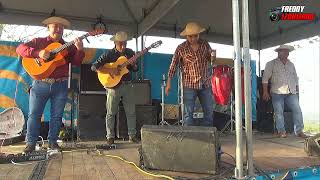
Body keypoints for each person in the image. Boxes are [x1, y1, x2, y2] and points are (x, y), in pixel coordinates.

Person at [16, 16, 85, 153]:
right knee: (34, 114)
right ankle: (30, 143)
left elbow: (76, 62)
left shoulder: (68, 47)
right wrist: (38, 52)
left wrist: (80, 50)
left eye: (61, 27)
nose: (58, 29)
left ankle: (53, 142)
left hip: (61, 85)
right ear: (48, 27)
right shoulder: (39, 42)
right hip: (40, 84)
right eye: (55, 26)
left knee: (56, 116)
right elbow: (20, 49)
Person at [91, 31, 139, 145]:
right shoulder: (108, 55)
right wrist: (110, 70)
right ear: (115, 43)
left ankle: (132, 136)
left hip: (127, 85)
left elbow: (135, 69)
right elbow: (94, 67)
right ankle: (110, 137)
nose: (123, 46)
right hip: (113, 87)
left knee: (131, 112)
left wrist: (134, 65)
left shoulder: (130, 53)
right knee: (111, 113)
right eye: (120, 44)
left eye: (124, 44)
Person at [165, 22, 216, 126]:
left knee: (209, 112)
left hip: (205, 84)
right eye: (190, 36)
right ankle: (189, 138)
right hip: (189, 85)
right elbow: (173, 66)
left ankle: (207, 137)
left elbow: (211, 60)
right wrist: (169, 83)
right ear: (186, 36)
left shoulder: (205, 44)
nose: (193, 38)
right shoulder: (181, 48)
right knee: (188, 114)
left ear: (199, 35)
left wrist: (213, 56)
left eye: (195, 36)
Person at [262, 44, 308, 138]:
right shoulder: (271, 64)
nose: (287, 53)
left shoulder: (291, 64)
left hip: (291, 92)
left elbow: (295, 78)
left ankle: (299, 131)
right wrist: (265, 92)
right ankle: (281, 131)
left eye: (288, 51)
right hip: (277, 92)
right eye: (284, 51)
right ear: (279, 52)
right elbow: (265, 79)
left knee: (297, 110)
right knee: (279, 112)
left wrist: (297, 90)